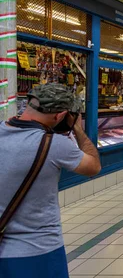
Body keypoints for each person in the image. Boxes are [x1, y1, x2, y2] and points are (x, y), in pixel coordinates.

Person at [0, 84, 101, 277]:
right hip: (39, 251)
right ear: (60, 116)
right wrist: (77, 129)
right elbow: (93, 166)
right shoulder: (55, 145)